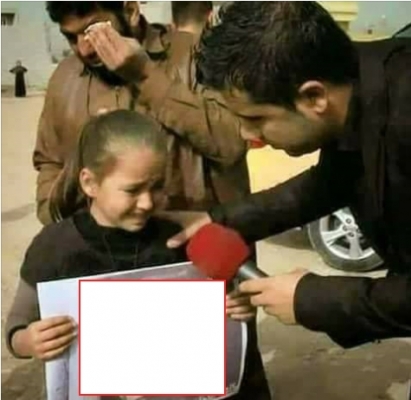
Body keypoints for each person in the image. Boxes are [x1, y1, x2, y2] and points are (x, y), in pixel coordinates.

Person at [164, 1, 411, 350]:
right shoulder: (355, 87)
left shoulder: (403, 111)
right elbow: (328, 185)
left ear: (314, 96)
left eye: (256, 119)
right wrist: (219, 220)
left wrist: (311, 297)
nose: (247, 135)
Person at [6, 110, 270, 400]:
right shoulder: (54, 246)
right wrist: (29, 341)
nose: (146, 202)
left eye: (156, 187)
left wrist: (235, 312)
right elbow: (17, 326)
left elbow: (220, 316)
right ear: (89, 183)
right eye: (132, 190)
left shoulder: (181, 240)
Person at [34, 1, 250, 226]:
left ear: (130, 11)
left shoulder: (198, 55)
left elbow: (233, 143)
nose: (84, 49)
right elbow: (49, 161)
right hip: (100, 245)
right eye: (71, 37)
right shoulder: (64, 78)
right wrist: (53, 215)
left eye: (93, 31)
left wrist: (145, 76)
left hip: (195, 238)